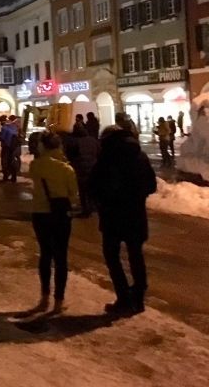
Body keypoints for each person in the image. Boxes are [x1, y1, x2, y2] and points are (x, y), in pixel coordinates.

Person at [89, 127, 156, 315]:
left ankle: (124, 298)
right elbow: (151, 185)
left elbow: (93, 187)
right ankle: (138, 298)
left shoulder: (107, 158)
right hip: (136, 215)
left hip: (113, 217)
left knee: (112, 256)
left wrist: (104, 199)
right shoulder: (139, 156)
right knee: (136, 256)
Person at [26, 131, 78, 314]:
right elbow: (73, 195)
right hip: (60, 216)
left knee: (45, 254)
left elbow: (34, 175)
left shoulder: (36, 165)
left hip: (40, 214)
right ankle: (58, 301)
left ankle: (44, 296)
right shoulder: (66, 169)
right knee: (61, 257)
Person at [65, 124, 100, 218]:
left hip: (80, 168)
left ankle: (86, 209)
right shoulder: (93, 140)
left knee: (83, 189)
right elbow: (99, 152)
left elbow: (70, 155)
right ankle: (93, 206)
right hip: (93, 167)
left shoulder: (74, 142)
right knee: (92, 188)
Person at [0, 115, 20, 182]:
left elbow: (2, 138)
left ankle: (5, 177)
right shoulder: (13, 126)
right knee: (11, 162)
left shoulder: (4, 127)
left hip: (6, 147)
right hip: (13, 147)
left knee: (4, 162)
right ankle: (13, 177)